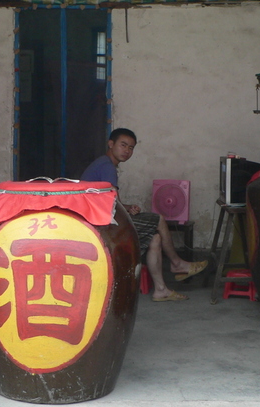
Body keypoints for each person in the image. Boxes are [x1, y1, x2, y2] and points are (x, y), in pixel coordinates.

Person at [81, 128, 208, 302]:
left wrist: (127, 207)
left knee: (155, 239)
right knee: (158, 219)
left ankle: (161, 290)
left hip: (97, 221)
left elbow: (109, 201)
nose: (127, 151)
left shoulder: (103, 164)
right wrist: (125, 209)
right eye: (123, 145)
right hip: (102, 226)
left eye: (131, 148)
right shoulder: (107, 167)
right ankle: (177, 264)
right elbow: (114, 206)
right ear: (111, 144)